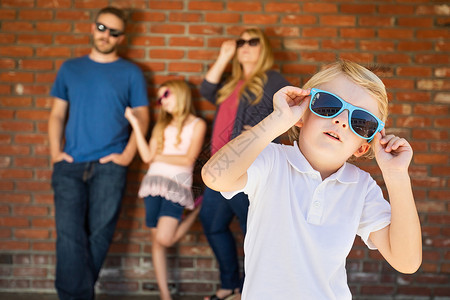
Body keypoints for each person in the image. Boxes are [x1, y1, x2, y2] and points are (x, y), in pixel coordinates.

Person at [202, 60, 422, 299]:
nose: (341, 120)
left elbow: (407, 262)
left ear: (363, 146)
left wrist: (397, 176)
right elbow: (214, 176)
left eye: (360, 121)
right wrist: (275, 121)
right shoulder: (272, 161)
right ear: (301, 115)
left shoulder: (361, 188)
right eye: (328, 105)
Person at [48, 7, 149, 300]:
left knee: (100, 235)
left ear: (122, 38)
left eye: (114, 32)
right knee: (69, 235)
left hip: (110, 165)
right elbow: (56, 115)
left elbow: (142, 117)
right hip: (70, 164)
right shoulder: (70, 68)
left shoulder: (131, 72)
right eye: (103, 28)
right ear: (93, 28)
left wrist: (128, 155)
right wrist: (55, 152)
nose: (107, 35)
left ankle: (74, 294)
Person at [199, 27, 290, 300]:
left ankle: (253, 291)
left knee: (254, 230)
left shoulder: (272, 79)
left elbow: (290, 111)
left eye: (253, 41)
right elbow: (206, 90)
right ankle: (230, 286)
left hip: (246, 167)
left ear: (265, 49)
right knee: (212, 223)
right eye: (241, 42)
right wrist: (225, 56)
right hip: (220, 166)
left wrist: (262, 130)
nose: (245, 46)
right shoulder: (232, 82)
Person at [125, 80, 206, 300]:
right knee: (157, 243)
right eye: (160, 98)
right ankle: (164, 295)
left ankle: (197, 209)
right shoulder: (161, 126)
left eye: (166, 94)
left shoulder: (197, 124)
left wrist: (156, 157)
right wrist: (134, 123)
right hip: (152, 184)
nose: (163, 101)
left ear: (180, 93)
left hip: (176, 186)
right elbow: (145, 156)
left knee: (165, 239)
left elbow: (188, 158)